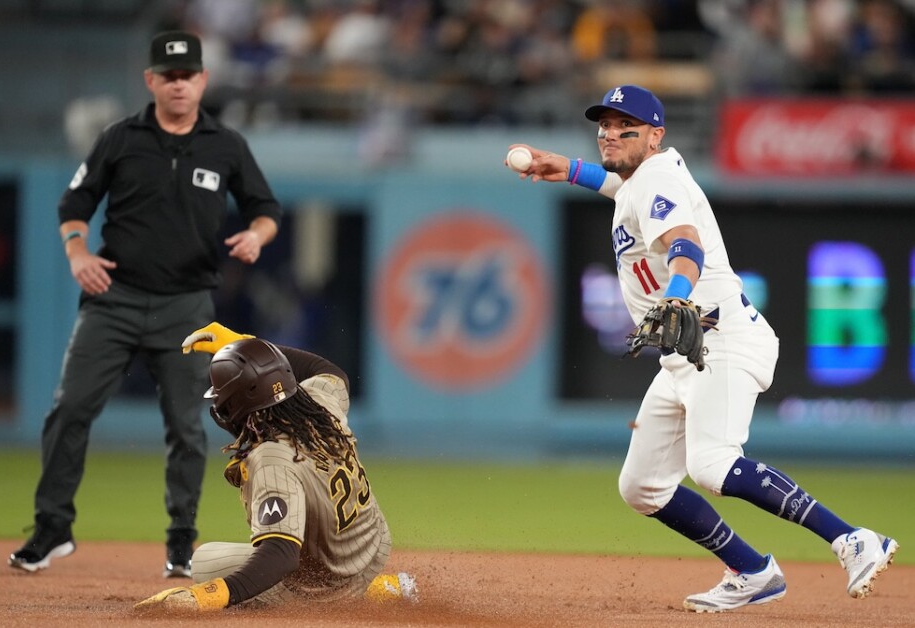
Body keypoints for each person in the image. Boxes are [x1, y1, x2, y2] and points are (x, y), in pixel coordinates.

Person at [507, 84, 899, 613]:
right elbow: (622, 190)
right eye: (605, 125)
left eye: (627, 127)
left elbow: (684, 245)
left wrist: (676, 295)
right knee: (642, 487)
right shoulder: (642, 181)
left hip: (722, 340)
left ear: (655, 135)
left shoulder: (657, 179)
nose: (611, 133)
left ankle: (853, 538)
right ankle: (753, 569)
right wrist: (571, 170)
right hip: (686, 354)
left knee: (713, 465)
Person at [8, 31, 282, 578]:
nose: (179, 84)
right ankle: (52, 529)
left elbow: (265, 207)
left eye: (188, 75)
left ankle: (181, 541)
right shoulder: (120, 138)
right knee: (69, 409)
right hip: (115, 297)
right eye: (168, 75)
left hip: (186, 305)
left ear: (202, 79)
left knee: (186, 424)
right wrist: (76, 250)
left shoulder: (224, 144)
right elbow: (75, 201)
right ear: (150, 80)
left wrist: (257, 234)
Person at [133, 323, 418, 612]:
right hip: (373, 543)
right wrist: (250, 344)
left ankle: (372, 593)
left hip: (331, 582)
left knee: (206, 563)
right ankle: (374, 585)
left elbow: (280, 556)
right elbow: (331, 372)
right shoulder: (317, 404)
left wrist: (207, 596)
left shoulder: (272, 458)